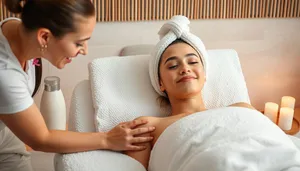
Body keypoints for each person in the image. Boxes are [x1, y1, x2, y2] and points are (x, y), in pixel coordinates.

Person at [125, 15, 300, 170]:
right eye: (172, 65)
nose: (185, 69)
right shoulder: (147, 126)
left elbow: (274, 142)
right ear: (160, 82)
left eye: (193, 62)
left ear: (204, 74)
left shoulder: (242, 108)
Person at [0, 0, 155, 170]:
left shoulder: (18, 29)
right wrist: (108, 139)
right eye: (79, 43)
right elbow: (41, 139)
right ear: (44, 37)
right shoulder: (6, 75)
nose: (85, 51)